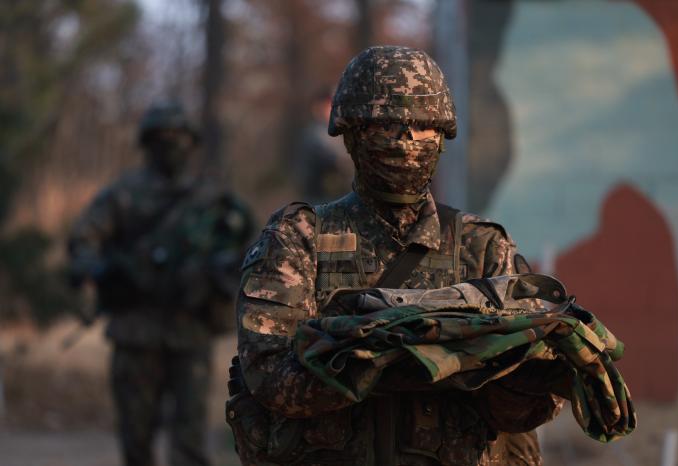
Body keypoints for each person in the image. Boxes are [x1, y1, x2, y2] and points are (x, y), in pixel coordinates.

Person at [228, 46, 561, 465]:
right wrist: (392, 361)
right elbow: (270, 378)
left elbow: (529, 409)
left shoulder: (483, 247)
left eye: (423, 126)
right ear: (351, 132)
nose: (406, 140)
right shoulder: (299, 239)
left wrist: (510, 372)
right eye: (386, 125)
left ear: (442, 135)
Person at [68, 101, 254, 466]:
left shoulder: (212, 197)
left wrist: (219, 273)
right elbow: (83, 242)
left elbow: (253, 249)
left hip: (191, 327)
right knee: (136, 437)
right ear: (147, 142)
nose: (170, 144)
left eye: (178, 136)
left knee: (190, 437)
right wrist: (105, 271)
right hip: (136, 328)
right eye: (161, 137)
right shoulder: (123, 195)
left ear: (192, 142)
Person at [295, 89, 354, 203]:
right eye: (328, 106)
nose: (332, 110)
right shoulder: (316, 134)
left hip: (335, 197)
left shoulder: (338, 132)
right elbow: (338, 160)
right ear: (317, 108)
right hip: (321, 199)